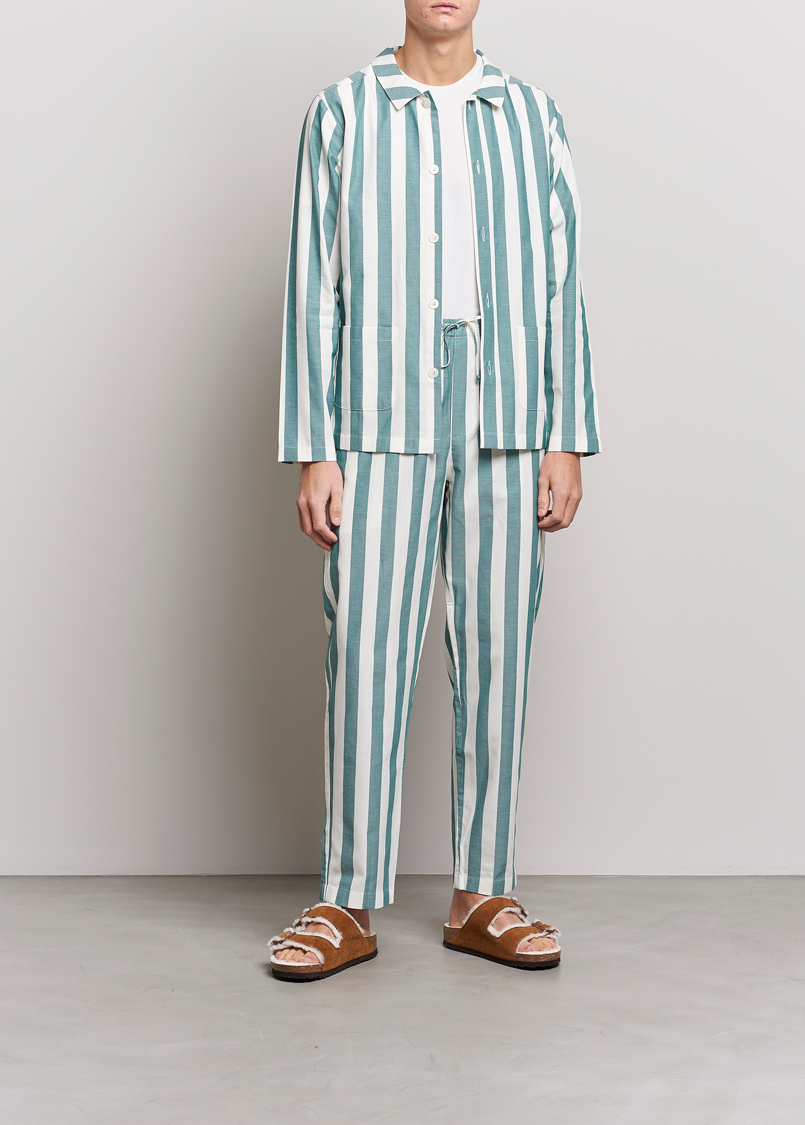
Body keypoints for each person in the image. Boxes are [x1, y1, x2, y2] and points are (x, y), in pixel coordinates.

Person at [268, 0, 599, 981]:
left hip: (509, 411)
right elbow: (311, 282)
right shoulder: (343, 112)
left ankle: (482, 893)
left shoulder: (533, 115)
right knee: (366, 650)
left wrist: (567, 434)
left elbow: (563, 280)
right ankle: (347, 899)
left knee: (500, 650)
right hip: (378, 410)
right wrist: (314, 448)